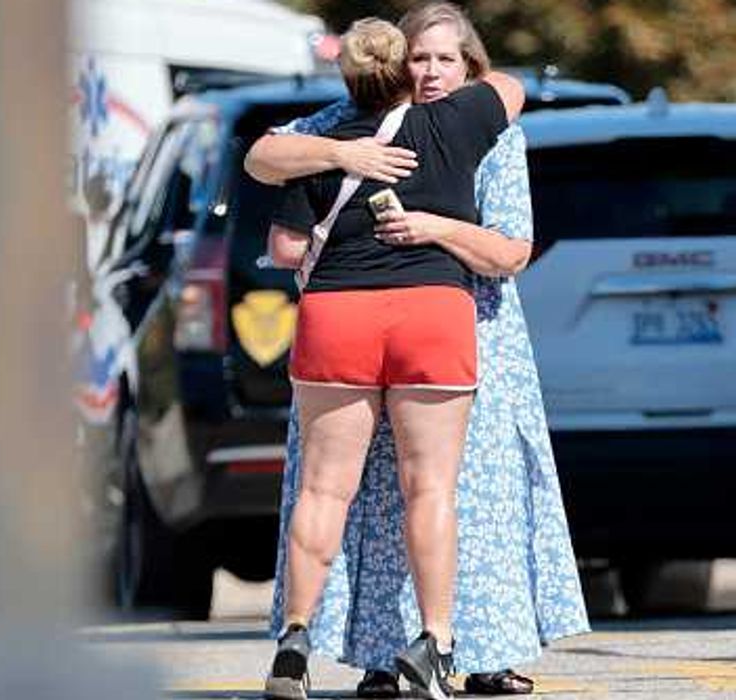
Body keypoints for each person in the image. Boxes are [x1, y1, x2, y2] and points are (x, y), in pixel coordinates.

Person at [246, 4, 588, 698]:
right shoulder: (385, 126)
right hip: (435, 326)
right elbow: (263, 152)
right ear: (397, 65)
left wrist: (430, 223)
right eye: (418, 59)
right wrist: (345, 155)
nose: (429, 71)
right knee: (418, 496)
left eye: (444, 59)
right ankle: (414, 648)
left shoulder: (482, 134)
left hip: (426, 328)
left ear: (469, 66)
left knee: (357, 492)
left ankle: (315, 644)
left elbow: (510, 250)